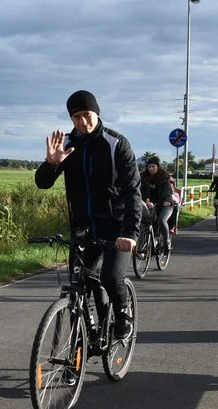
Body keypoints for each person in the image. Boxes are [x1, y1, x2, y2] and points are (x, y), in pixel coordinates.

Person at [35, 90, 141, 339]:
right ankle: (78, 353)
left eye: (87, 115)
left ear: (96, 113)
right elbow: (42, 183)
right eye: (76, 117)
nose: (83, 122)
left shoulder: (116, 144)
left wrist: (130, 232)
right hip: (83, 227)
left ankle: (122, 313)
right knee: (77, 287)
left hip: (116, 226)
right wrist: (51, 163)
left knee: (110, 276)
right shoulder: (68, 145)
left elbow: (132, 190)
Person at [140, 157, 176, 250]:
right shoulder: (143, 177)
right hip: (150, 204)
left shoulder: (164, 176)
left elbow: (168, 191)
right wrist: (145, 199)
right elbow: (140, 191)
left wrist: (167, 201)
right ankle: (146, 244)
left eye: (153, 166)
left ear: (158, 166)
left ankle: (166, 241)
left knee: (161, 220)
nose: (151, 169)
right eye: (149, 167)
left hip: (165, 204)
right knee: (144, 222)